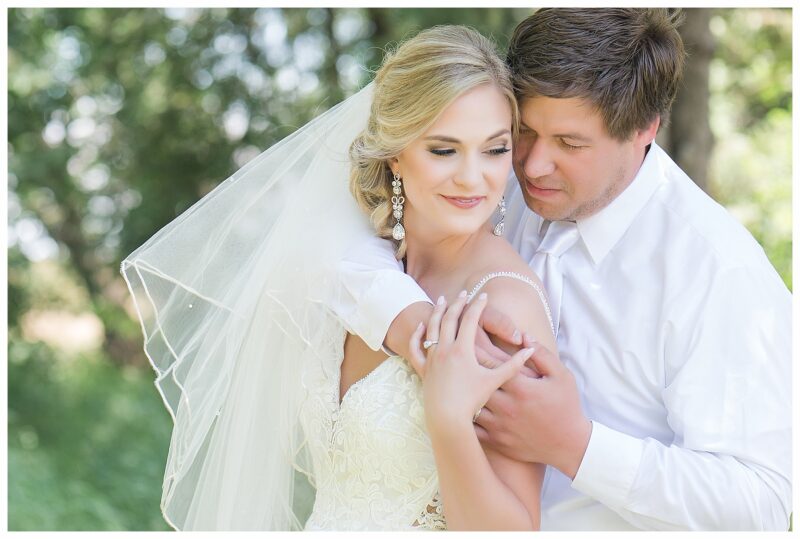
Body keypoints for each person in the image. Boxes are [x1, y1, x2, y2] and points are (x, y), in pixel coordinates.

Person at [334, 8, 792, 531]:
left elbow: (763, 502)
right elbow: (347, 238)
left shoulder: (715, 270)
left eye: (570, 144)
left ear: (645, 128)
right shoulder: (490, 172)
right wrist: (411, 319)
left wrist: (577, 445)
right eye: (523, 132)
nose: (531, 166)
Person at [122, 25, 555, 530]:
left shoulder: (502, 308)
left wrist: (449, 421)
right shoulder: (362, 265)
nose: (472, 176)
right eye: (443, 149)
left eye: (495, 149)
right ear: (396, 152)